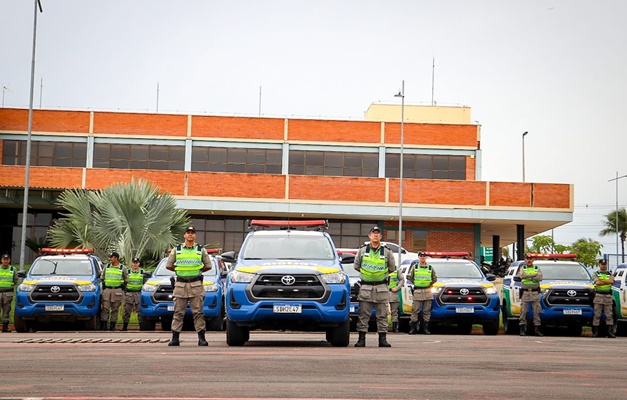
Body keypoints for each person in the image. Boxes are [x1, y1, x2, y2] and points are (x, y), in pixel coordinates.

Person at [165, 226, 212, 346]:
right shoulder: (177, 250)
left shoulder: (201, 250)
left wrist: (196, 271)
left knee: (198, 312)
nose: (190, 235)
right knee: (178, 312)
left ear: (195, 235)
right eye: (188, 233)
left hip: (196, 284)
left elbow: (208, 265)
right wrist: (181, 270)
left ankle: (201, 338)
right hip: (180, 284)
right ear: (184, 235)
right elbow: (169, 265)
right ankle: (175, 338)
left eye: (192, 233)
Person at [353, 226, 396, 347]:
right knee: (363, 314)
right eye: (373, 233)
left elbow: (392, 268)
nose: (376, 235)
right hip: (366, 287)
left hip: (381, 287)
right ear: (369, 236)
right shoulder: (362, 250)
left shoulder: (387, 251)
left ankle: (382, 339)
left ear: (381, 237)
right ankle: (361, 339)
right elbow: (356, 266)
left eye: (378, 234)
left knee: (382, 315)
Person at [406, 251, 437, 335]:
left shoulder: (430, 268)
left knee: (427, 311)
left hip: (427, 291)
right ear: (418, 257)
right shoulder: (415, 267)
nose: (422, 257)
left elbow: (434, 278)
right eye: (421, 256)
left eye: (424, 256)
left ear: (426, 257)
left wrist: (429, 284)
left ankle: (426, 329)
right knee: (415, 310)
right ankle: (413, 328)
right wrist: (416, 284)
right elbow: (410, 277)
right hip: (418, 291)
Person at [100, 252, 128, 331]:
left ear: (116, 258)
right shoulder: (107, 266)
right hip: (107, 290)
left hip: (117, 290)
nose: (110, 259)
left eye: (111, 257)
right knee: (105, 308)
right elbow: (102, 277)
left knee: (115, 309)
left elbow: (126, 279)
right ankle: (104, 326)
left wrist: (122, 286)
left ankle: (112, 326)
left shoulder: (123, 268)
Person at [519, 253, 543, 336]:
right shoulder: (523, 268)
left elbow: (539, 278)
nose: (529, 260)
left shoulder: (537, 268)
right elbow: (522, 276)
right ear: (525, 260)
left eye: (530, 259)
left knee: (536, 311)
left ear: (533, 260)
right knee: (523, 311)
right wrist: (533, 276)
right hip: (525, 292)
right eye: (527, 259)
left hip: (535, 292)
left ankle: (537, 329)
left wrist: (528, 277)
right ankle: (522, 329)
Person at [592, 259, 615, 338]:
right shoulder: (596, 273)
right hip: (598, 295)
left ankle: (609, 332)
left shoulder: (610, 273)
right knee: (596, 315)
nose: (603, 266)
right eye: (602, 264)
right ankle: (596, 332)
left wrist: (602, 281)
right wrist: (607, 281)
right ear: (599, 265)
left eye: (605, 264)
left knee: (609, 315)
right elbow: (597, 282)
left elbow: (612, 282)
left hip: (608, 296)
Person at [122, 257, 145, 331]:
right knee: (127, 311)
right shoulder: (128, 272)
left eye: (136, 263)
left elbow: (145, 283)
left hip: (139, 293)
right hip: (129, 293)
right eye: (134, 263)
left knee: (140, 311)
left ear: (139, 263)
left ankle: (141, 327)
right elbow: (124, 282)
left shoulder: (142, 272)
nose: (135, 264)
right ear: (132, 263)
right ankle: (125, 327)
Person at [0, 254, 17, 333]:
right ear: (1, 260)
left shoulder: (13, 269)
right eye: (4, 259)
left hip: (8, 293)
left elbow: (15, 280)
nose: (6, 261)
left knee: (6, 311)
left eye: (7, 259)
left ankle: (5, 327)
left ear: (9, 260)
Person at [387, 267, 405, 332]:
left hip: (393, 292)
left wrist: (397, 288)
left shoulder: (396, 269)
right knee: (383, 311)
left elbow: (402, 280)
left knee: (394, 311)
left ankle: (394, 328)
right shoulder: (381, 267)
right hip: (383, 292)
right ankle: (383, 327)